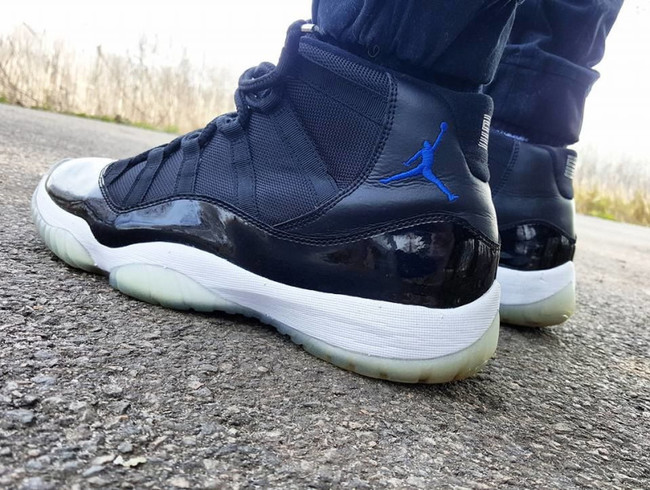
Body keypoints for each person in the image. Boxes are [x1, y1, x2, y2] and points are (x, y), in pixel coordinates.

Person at [31, 0, 622, 383]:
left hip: (362, 132)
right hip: (483, 140)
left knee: (385, 58)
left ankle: (341, 126)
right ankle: (516, 155)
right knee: (517, 97)